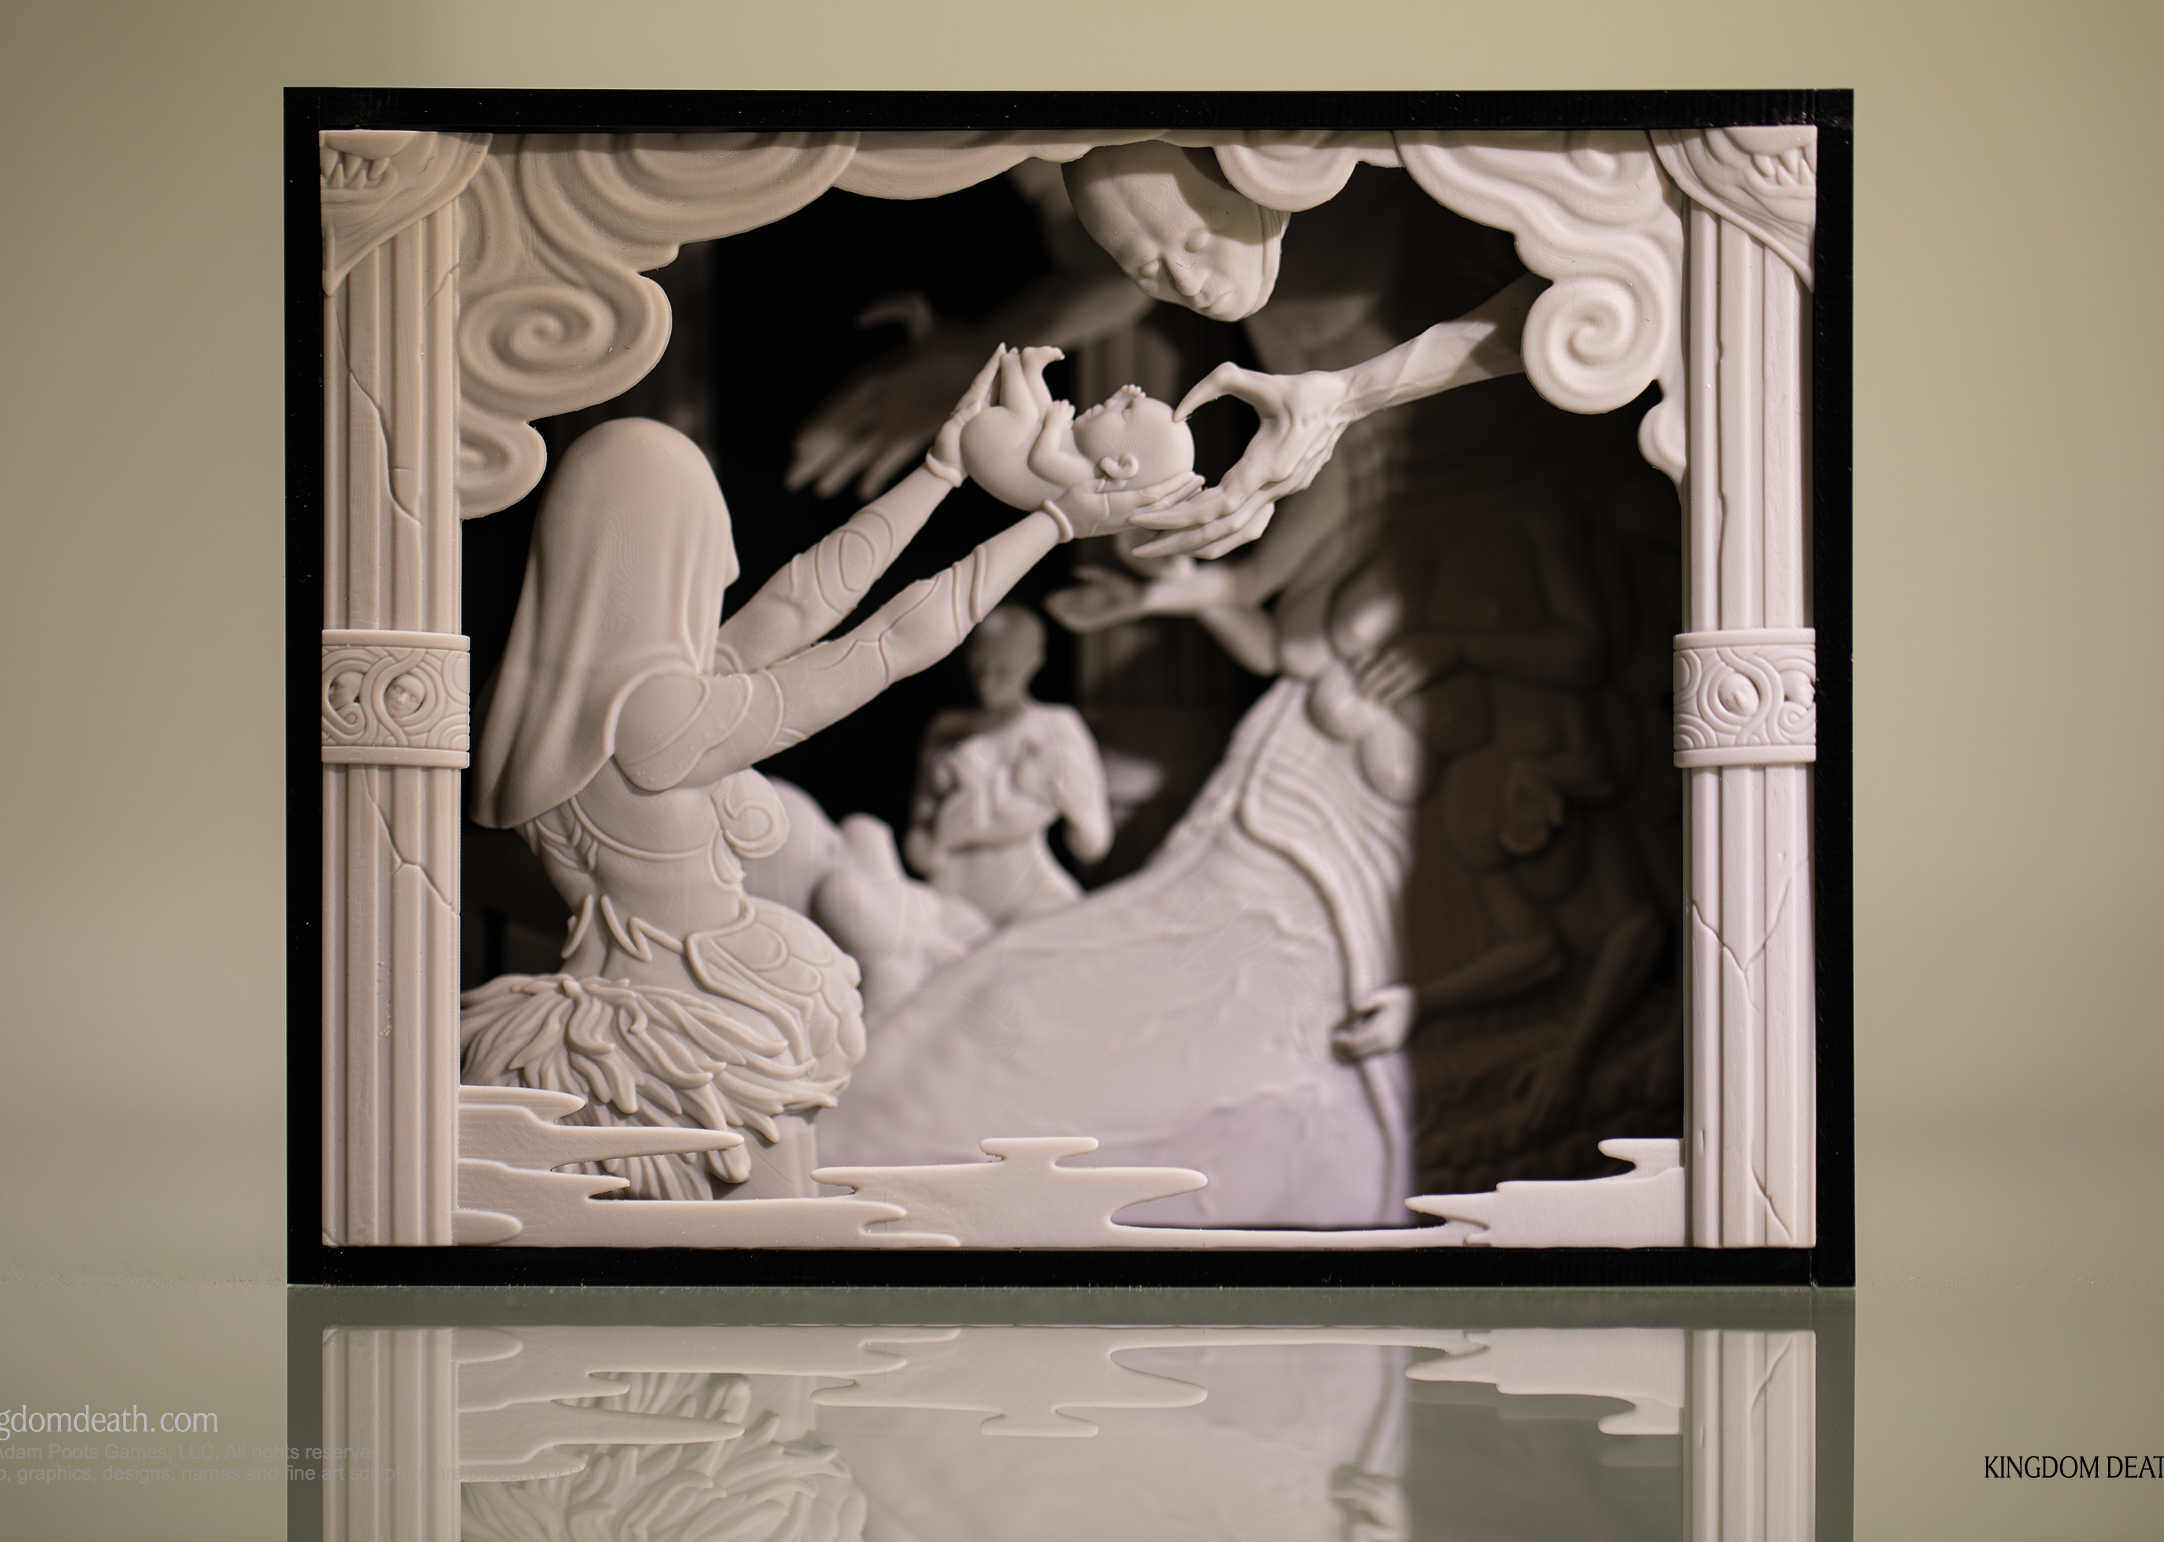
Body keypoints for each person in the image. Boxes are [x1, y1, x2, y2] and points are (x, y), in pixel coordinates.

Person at [819, 143, 1676, 1224]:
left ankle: (939, 1088)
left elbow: (1594, 294)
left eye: (1188, 239)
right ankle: (930, 1060)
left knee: (1230, 967)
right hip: (1365, 640)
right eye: (1145, 268)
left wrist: (1342, 406)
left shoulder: (1385, 178)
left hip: (1462, 626)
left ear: (1248, 167)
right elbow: (1346, 474)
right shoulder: (1269, 336)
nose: (1187, 283)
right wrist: (1219, 571)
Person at [459, 350, 1182, 1201]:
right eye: (708, 531)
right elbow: (886, 647)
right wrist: (1052, 526)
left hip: (681, 991)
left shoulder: (589, 704)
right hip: (699, 1022)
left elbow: (799, 603)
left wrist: (939, 473)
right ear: (664, 550)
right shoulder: (654, 719)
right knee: (753, 1240)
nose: (728, 562)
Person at [905, 605, 1113, 928]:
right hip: (952, 899)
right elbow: (917, 849)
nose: (987, 682)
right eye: (978, 667)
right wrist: (941, 838)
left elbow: (1093, 843)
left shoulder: (1056, 726)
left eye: (1003, 670)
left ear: (1035, 661)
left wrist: (1078, 808)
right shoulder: (945, 729)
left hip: (1029, 893)